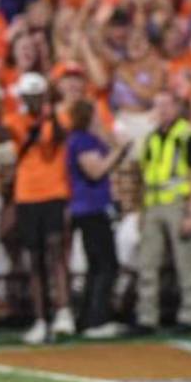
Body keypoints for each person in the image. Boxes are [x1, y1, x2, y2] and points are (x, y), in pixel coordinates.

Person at [4, 73, 74, 344]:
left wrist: (50, 110)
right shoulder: (16, 120)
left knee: (55, 250)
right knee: (34, 257)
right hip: (27, 195)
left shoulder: (56, 117)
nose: (32, 101)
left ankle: (63, 311)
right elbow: (2, 132)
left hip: (54, 191)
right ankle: (40, 318)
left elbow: (58, 137)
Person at [136, 91, 191, 330]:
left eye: (167, 105)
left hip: (178, 203)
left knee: (185, 262)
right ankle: (147, 316)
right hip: (153, 203)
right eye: (158, 106)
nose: (163, 110)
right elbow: (144, 176)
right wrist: (142, 211)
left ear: (176, 107)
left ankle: (189, 314)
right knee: (147, 264)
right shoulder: (151, 138)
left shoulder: (188, 135)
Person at [66, 99, 130, 338]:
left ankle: (88, 318)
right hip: (90, 209)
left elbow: (111, 161)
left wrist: (115, 145)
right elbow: (96, 170)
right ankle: (96, 318)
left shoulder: (90, 139)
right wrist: (118, 149)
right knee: (105, 264)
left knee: (98, 265)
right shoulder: (81, 140)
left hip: (94, 207)